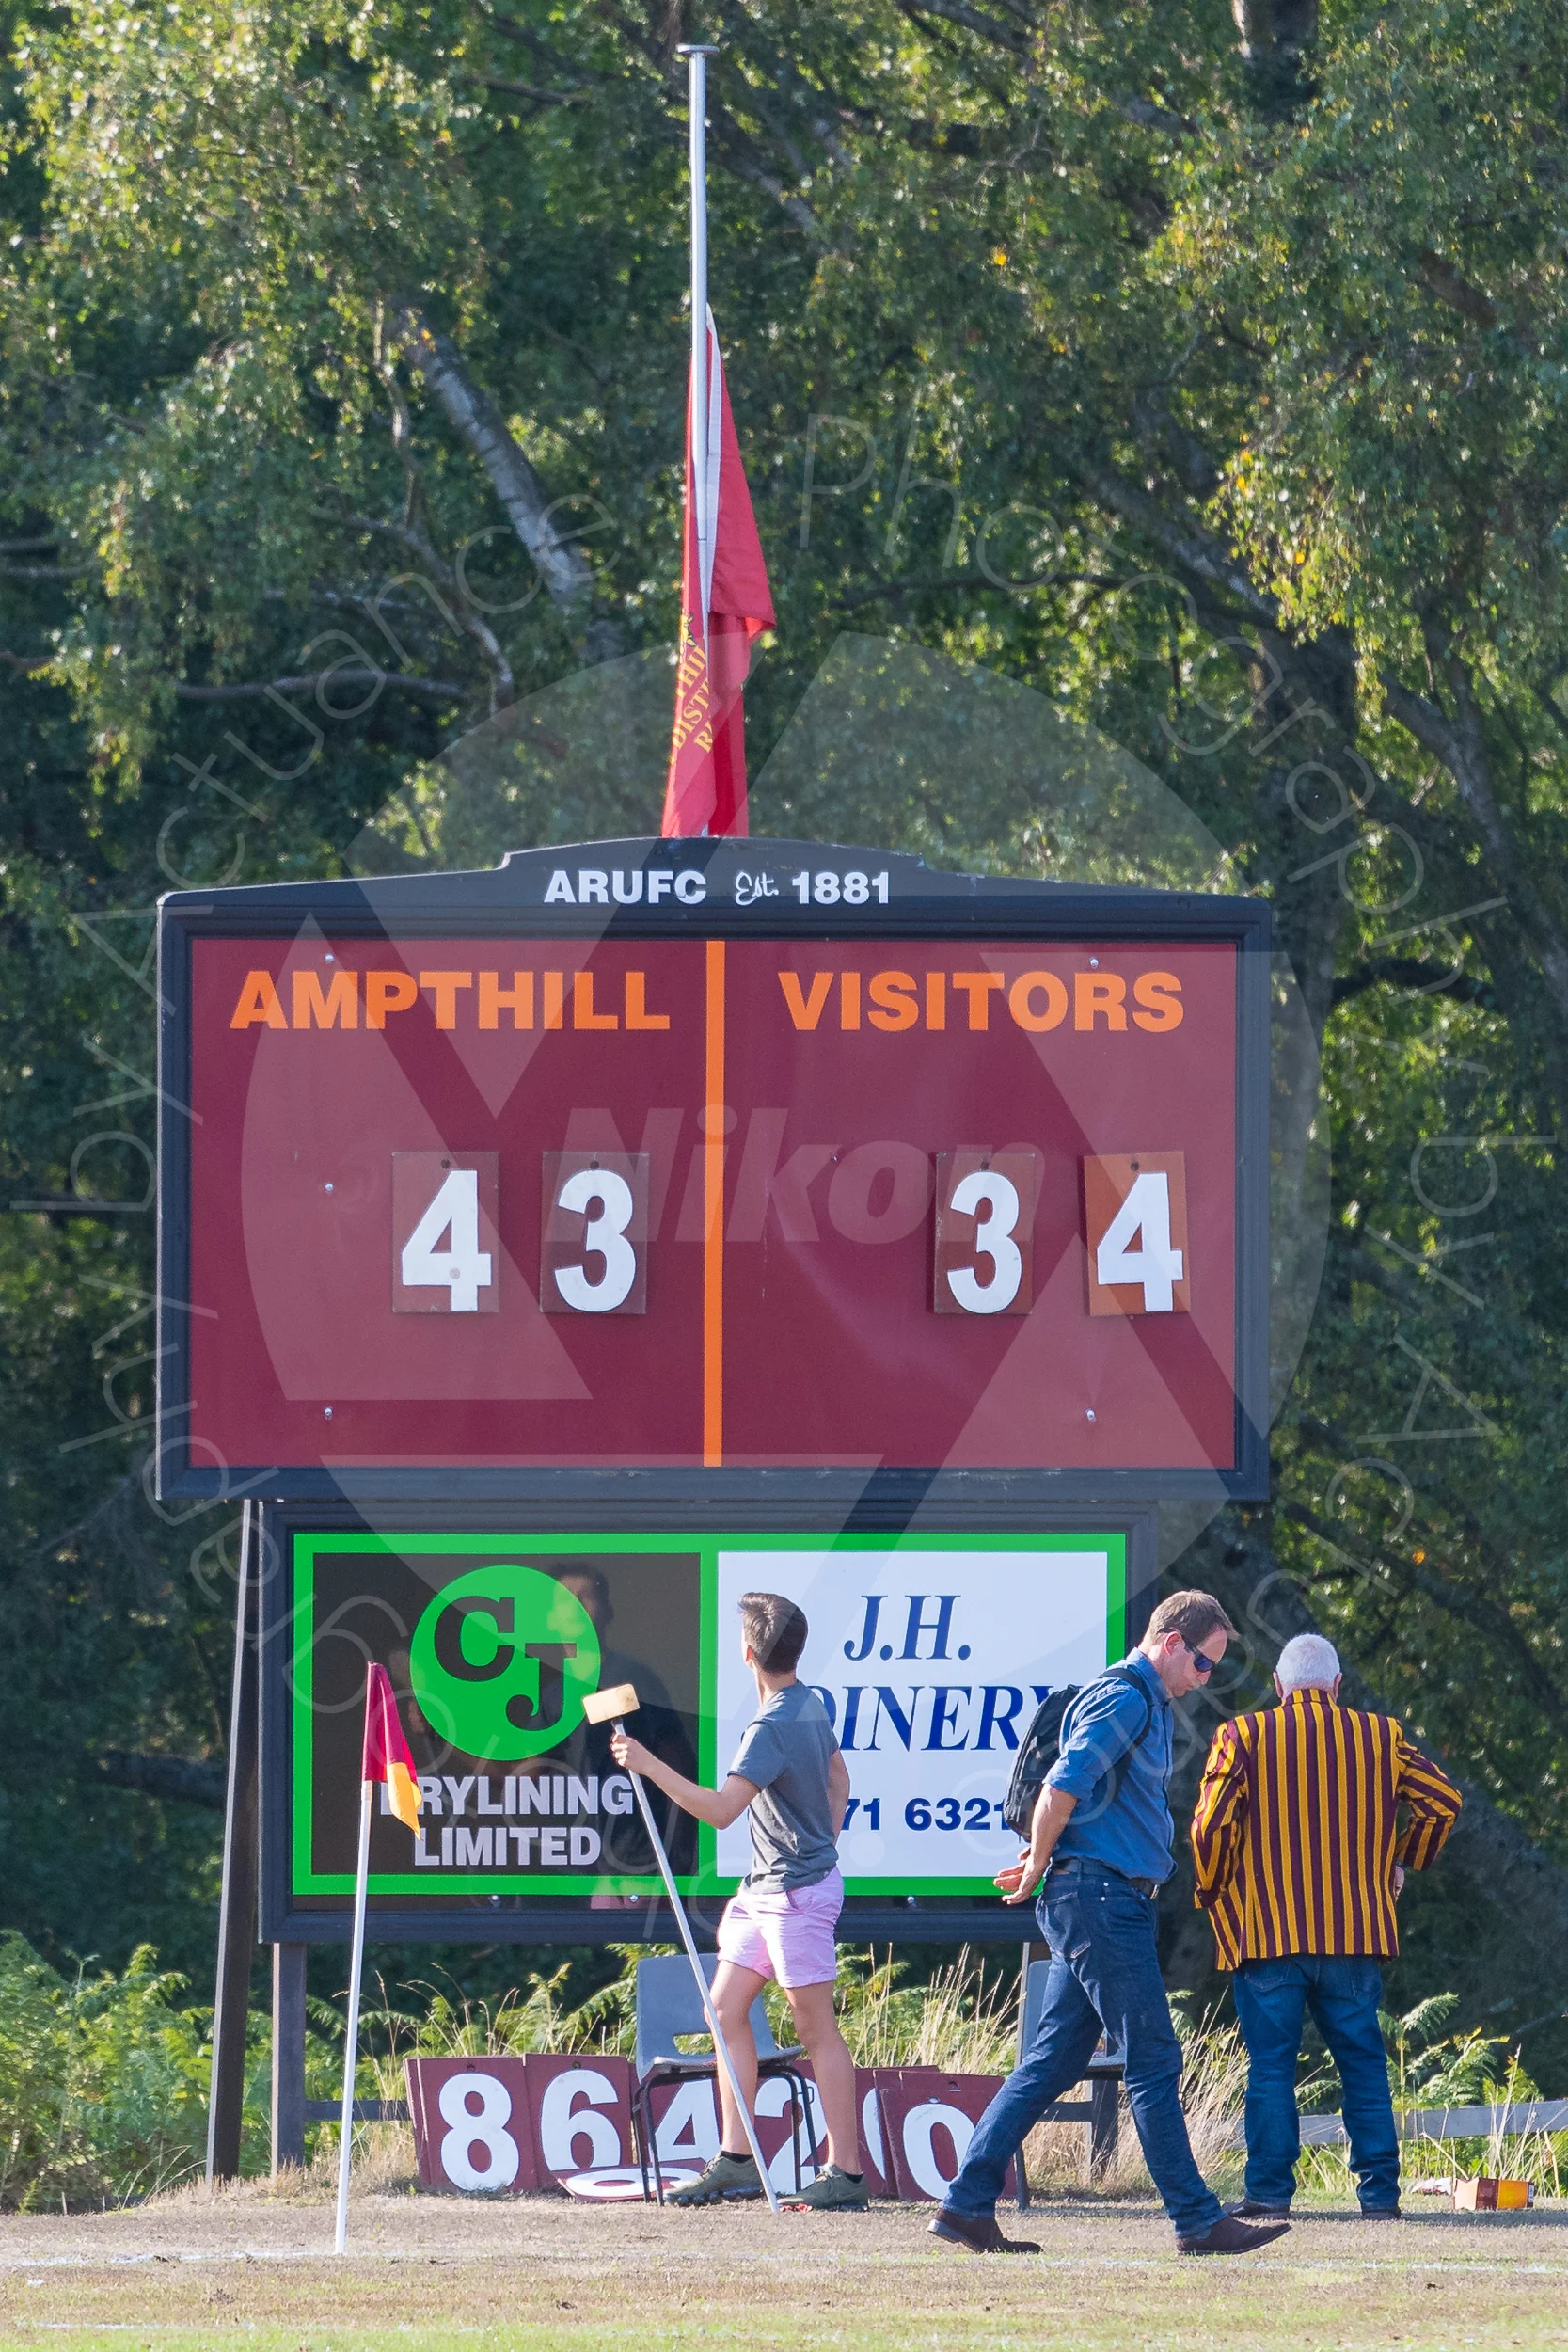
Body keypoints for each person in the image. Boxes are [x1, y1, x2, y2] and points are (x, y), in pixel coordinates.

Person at [929, 1591, 1290, 2258]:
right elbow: (1063, 1782)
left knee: (1051, 2061)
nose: (1204, 1679)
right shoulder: (1125, 1696)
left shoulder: (1141, 1701)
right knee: (1152, 2057)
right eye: (1205, 1664)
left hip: (1097, 1896)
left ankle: (965, 2204)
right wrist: (1039, 1859)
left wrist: (1048, 1863)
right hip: (1098, 1898)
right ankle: (1196, 2219)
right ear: (1173, 1643)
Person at [1191, 1630, 1463, 2220]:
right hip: (1354, 1933)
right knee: (1363, 2062)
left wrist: (1213, 1890)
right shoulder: (1381, 1736)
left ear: (1279, 1686)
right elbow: (1444, 1802)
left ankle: (1266, 2194)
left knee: (1270, 2066)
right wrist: (1401, 1859)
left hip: (1266, 1935)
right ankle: (1380, 2198)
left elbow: (1209, 1827)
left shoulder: (1241, 1735)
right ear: (1337, 1686)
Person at [610, 1589, 865, 2212]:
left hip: (794, 1896)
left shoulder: (770, 1726)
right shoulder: (810, 1702)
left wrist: (646, 1766)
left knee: (815, 2029)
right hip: (762, 1890)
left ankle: (847, 2174)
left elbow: (722, 1812)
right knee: (723, 2010)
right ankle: (736, 2159)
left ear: (746, 1653)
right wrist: (821, 1843)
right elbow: (839, 1779)